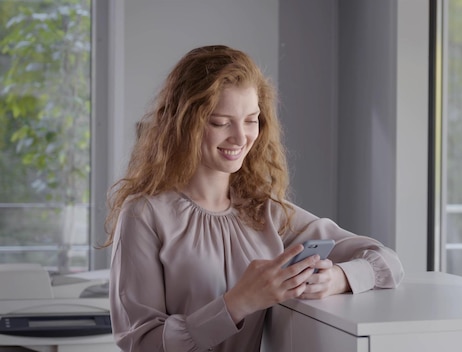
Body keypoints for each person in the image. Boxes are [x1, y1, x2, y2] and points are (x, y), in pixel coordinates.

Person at [103, 45, 404, 352]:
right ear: (184, 123)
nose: (240, 137)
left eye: (251, 120)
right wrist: (237, 303)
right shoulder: (144, 214)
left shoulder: (265, 212)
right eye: (220, 122)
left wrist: (339, 277)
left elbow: (386, 261)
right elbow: (141, 342)